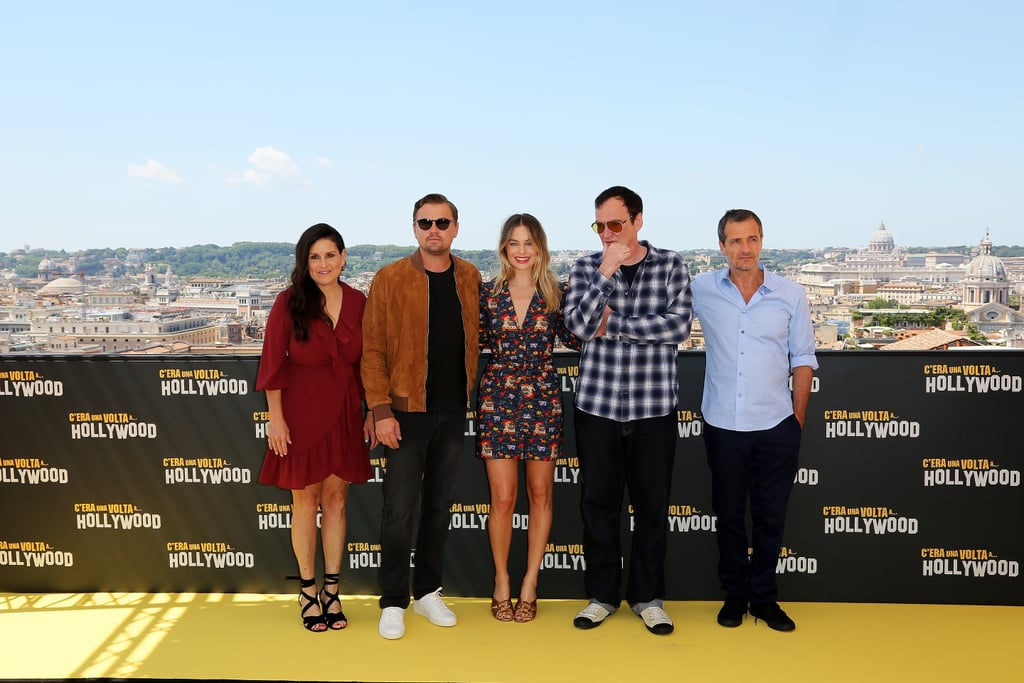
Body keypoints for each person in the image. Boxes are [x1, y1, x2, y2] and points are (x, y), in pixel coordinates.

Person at [563, 186, 693, 635]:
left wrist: (613, 324)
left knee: (652, 508)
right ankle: (601, 596)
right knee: (597, 507)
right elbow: (579, 326)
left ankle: (648, 598)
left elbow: (677, 327)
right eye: (599, 225)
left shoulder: (672, 264)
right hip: (597, 406)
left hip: (653, 407)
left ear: (638, 220)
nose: (606, 233)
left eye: (615, 224)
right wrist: (606, 272)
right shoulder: (584, 268)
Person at [361, 193, 482, 640]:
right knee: (399, 510)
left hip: (452, 412)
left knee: (439, 506)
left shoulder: (470, 276)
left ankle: (428, 590)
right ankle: (393, 600)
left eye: (443, 222)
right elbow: (371, 350)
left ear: (455, 228)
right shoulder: (390, 278)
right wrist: (381, 410)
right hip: (404, 414)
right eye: (425, 222)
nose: (434, 229)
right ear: (414, 228)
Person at [691, 209, 817, 632]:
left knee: (770, 517)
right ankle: (735, 596)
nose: (745, 248)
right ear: (722, 247)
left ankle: (764, 599)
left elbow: (802, 359)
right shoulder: (700, 289)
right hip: (723, 424)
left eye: (752, 239)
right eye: (735, 240)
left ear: (762, 242)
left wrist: (796, 419)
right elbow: (661, 323)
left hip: (776, 424)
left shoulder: (791, 293)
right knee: (728, 516)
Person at [256, 222, 375, 632]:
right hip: (300, 415)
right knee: (305, 503)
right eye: (314, 257)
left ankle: (332, 589)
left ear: (343, 257)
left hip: (345, 412)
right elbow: (272, 362)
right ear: (304, 263)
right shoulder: (288, 302)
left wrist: (372, 411)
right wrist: (276, 418)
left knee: (337, 501)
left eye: (330, 255)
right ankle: (307, 590)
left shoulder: (361, 301)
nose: (323, 264)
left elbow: (369, 362)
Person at [476, 213, 578, 623]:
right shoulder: (487, 293)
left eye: (529, 243)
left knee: (541, 496)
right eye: (514, 243)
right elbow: (471, 341)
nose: (521, 251)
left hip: (542, 398)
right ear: (504, 248)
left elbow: (576, 336)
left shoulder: (557, 292)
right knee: (502, 499)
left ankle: (530, 583)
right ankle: (501, 581)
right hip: (498, 397)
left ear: (540, 248)